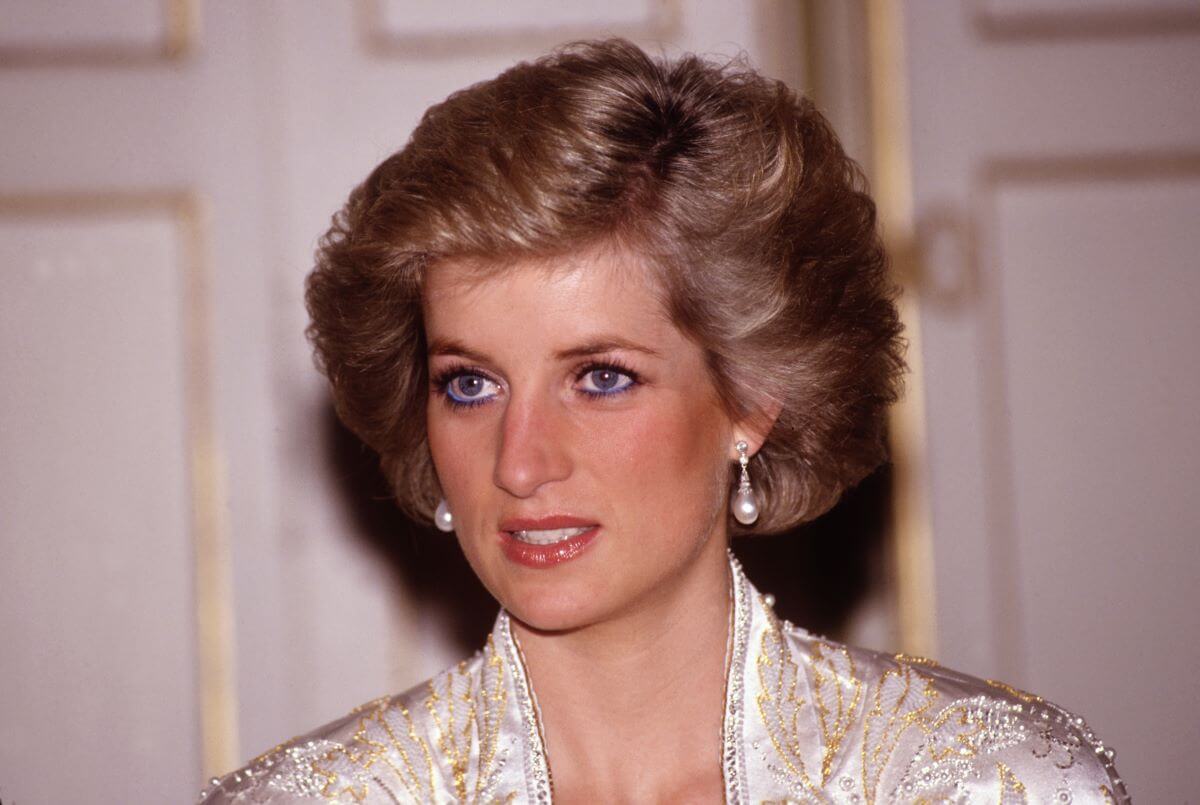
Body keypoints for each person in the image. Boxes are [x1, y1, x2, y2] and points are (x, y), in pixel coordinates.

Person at [200, 39, 1128, 803]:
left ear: (753, 399)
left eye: (601, 377)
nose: (520, 465)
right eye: (471, 385)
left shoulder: (987, 787)